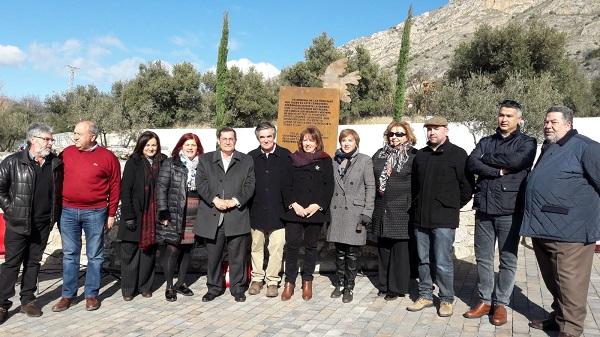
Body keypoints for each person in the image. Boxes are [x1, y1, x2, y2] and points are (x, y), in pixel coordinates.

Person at [520, 106, 600, 337]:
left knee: (570, 284)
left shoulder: (587, 148)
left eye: (554, 122)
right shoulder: (550, 147)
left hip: (571, 233)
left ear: (568, 124)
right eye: (546, 122)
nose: (548, 126)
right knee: (553, 281)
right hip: (543, 229)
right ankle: (558, 318)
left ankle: (571, 329)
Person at [464, 100, 536, 325]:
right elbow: (472, 163)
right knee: (483, 258)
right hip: (484, 208)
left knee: (507, 259)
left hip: (509, 210)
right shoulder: (486, 141)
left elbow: (516, 161)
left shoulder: (527, 142)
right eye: (501, 115)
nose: (504, 119)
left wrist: (487, 159)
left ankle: (501, 303)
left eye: (509, 116)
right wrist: (498, 171)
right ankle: (485, 300)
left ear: (519, 119)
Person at [407, 116, 474, 317]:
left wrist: (450, 206)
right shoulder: (421, 156)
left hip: (444, 219)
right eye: (429, 129)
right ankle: (426, 295)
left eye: (436, 129)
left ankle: (446, 299)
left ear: (446, 130)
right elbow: (414, 186)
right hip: (421, 218)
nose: (432, 132)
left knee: (443, 261)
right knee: (423, 260)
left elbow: (467, 188)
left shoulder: (458, 154)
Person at [52, 121, 121, 312]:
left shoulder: (108, 157)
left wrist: (111, 213)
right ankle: (68, 295)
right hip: (67, 211)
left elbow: (116, 186)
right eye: (74, 133)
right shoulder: (66, 153)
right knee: (69, 254)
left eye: (78, 134)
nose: (74, 137)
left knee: (95, 255)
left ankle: (91, 295)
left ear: (92, 136)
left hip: (96, 212)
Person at [0, 123, 63, 324]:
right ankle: (2, 303)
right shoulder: (12, 162)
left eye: (51, 139)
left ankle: (28, 300)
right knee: (12, 263)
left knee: (33, 263)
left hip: (42, 223)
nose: (51, 142)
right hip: (18, 224)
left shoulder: (55, 163)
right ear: (33, 140)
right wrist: (11, 210)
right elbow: (0, 189)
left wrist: (53, 217)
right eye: (47, 139)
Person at [195, 127, 255, 303]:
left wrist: (234, 201)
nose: (228, 141)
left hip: (236, 214)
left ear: (235, 141)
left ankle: (237, 288)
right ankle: (213, 287)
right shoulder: (206, 160)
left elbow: (250, 185)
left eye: (231, 139)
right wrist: (215, 200)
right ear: (218, 140)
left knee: (238, 256)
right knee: (213, 256)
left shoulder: (246, 160)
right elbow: (201, 183)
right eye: (224, 138)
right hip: (213, 215)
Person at [280, 126, 334, 301]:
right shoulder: (292, 159)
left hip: (315, 212)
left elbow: (329, 186)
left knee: (311, 247)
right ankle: (289, 282)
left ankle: (307, 281)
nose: (307, 143)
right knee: (293, 246)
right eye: (305, 140)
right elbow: (285, 185)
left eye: (311, 140)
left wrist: (318, 205)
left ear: (317, 142)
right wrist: (293, 204)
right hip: (295, 211)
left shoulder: (325, 160)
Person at [370, 121, 418, 301]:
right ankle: (384, 284)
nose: (394, 137)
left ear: (408, 136)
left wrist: (410, 203)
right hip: (382, 207)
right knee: (383, 249)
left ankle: (397, 287)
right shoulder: (380, 154)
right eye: (391, 134)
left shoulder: (414, 156)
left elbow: (418, 184)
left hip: (402, 209)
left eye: (399, 134)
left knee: (400, 250)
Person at [326, 129, 375, 303]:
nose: (346, 143)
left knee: (352, 253)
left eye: (350, 140)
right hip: (337, 211)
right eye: (344, 140)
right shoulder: (334, 161)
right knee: (339, 251)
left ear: (356, 143)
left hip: (355, 212)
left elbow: (370, 187)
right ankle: (339, 283)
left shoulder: (365, 160)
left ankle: (349, 286)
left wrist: (367, 211)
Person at [118, 131, 167, 301]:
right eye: (147, 145)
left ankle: (145, 286)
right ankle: (128, 289)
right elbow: (125, 191)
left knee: (149, 254)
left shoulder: (163, 162)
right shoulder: (134, 162)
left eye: (154, 145)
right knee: (130, 254)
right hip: (135, 215)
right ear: (141, 145)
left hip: (154, 217)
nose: (151, 148)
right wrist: (129, 215)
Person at [156, 133, 204, 302]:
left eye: (194, 145)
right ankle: (169, 285)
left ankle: (181, 283)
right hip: (176, 210)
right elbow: (161, 188)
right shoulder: (171, 163)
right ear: (181, 146)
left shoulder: (202, 164)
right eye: (187, 144)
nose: (191, 148)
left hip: (195, 210)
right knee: (172, 249)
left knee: (188, 249)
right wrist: (163, 211)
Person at [247, 122, 292, 298]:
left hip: (278, 211)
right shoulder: (251, 157)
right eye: (262, 137)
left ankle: (272, 280)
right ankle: (257, 279)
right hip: (256, 210)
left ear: (274, 136)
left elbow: (290, 183)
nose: (266, 140)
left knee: (277, 247)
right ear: (258, 138)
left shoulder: (285, 156)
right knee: (256, 247)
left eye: (269, 136)